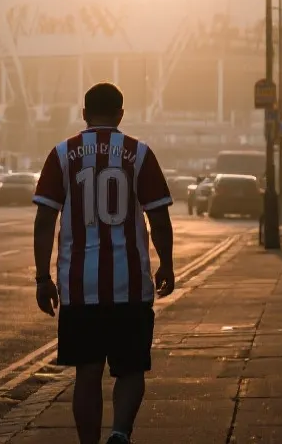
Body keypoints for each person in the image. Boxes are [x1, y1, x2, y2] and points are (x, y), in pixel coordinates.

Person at [32, 82, 175, 444]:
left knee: (87, 372)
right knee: (130, 369)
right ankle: (120, 433)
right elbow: (159, 219)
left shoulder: (62, 154)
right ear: (120, 114)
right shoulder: (139, 154)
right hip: (130, 285)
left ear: (84, 114)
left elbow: (45, 220)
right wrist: (167, 264)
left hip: (81, 287)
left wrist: (42, 278)